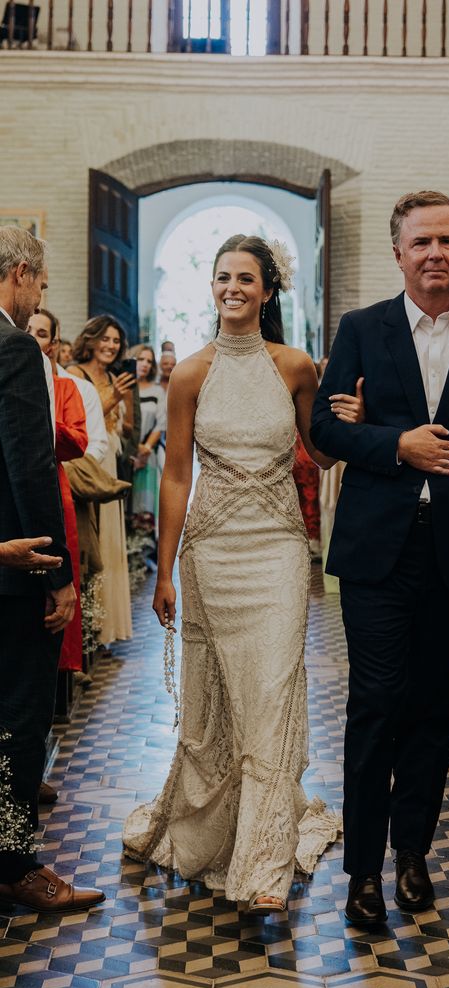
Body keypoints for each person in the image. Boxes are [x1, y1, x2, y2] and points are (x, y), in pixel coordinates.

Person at [311, 191, 449, 924]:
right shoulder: (361, 329)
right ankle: (361, 873)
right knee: (375, 703)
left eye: (445, 240)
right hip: (377, 550)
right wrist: (395, 443)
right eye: (419, 242)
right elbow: (323, 430)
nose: (433, 252)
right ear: (398, 254)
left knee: (433, 709)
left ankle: (412, 855)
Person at [123, 234, 362, 915]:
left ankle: (264, 866)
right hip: (211, 550)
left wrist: (356, 424)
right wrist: (164, 571)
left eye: (245, 278)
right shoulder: (191, 373)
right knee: (217, 703)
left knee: (274, 692)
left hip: (279, 552)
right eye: (223, 277)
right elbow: (174, 475)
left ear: (266, 291)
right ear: (214, 287)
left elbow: (319, 454)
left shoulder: (293, 368)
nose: (232, 287)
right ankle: (216, 831)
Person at [0, 225, 104, 912]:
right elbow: (30, 464)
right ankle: (13, 867)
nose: (40, 293)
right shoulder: (11, 347)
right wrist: (60, 573)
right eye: (40, 280)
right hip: (15, 569)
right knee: (18, 722)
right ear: (19, 271)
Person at [28, 309, 88, 680]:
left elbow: (78, 441)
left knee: (55, 567)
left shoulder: (65, 387)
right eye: (28, 330)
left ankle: (58, 667)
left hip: (52, 482)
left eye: (42, 333)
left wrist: (39, 421)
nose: (33, 337)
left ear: (53, 343)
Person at [70, 316, 135, 646]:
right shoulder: (75, 375)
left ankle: (109, 624)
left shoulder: (114, 376)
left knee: (112, 537)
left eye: (116, 342)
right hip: (88, 462)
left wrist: (125, 398)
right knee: (95, 537)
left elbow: (126, 428)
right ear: (91, 340)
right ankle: (92, 625)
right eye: (105, 339)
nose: (111, 346)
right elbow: (81, 424)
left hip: (111, 457)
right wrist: (111, 398)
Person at [131, 345, 166, 540]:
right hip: (127, 451)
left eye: (149, 361)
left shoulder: (157, 391)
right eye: (141, 359)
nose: (144, 364)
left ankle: (143, 548)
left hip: (147, 453)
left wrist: (145, 448)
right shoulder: (124, 386)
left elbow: (161, 423)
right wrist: (134, 448)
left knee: (144, 502)